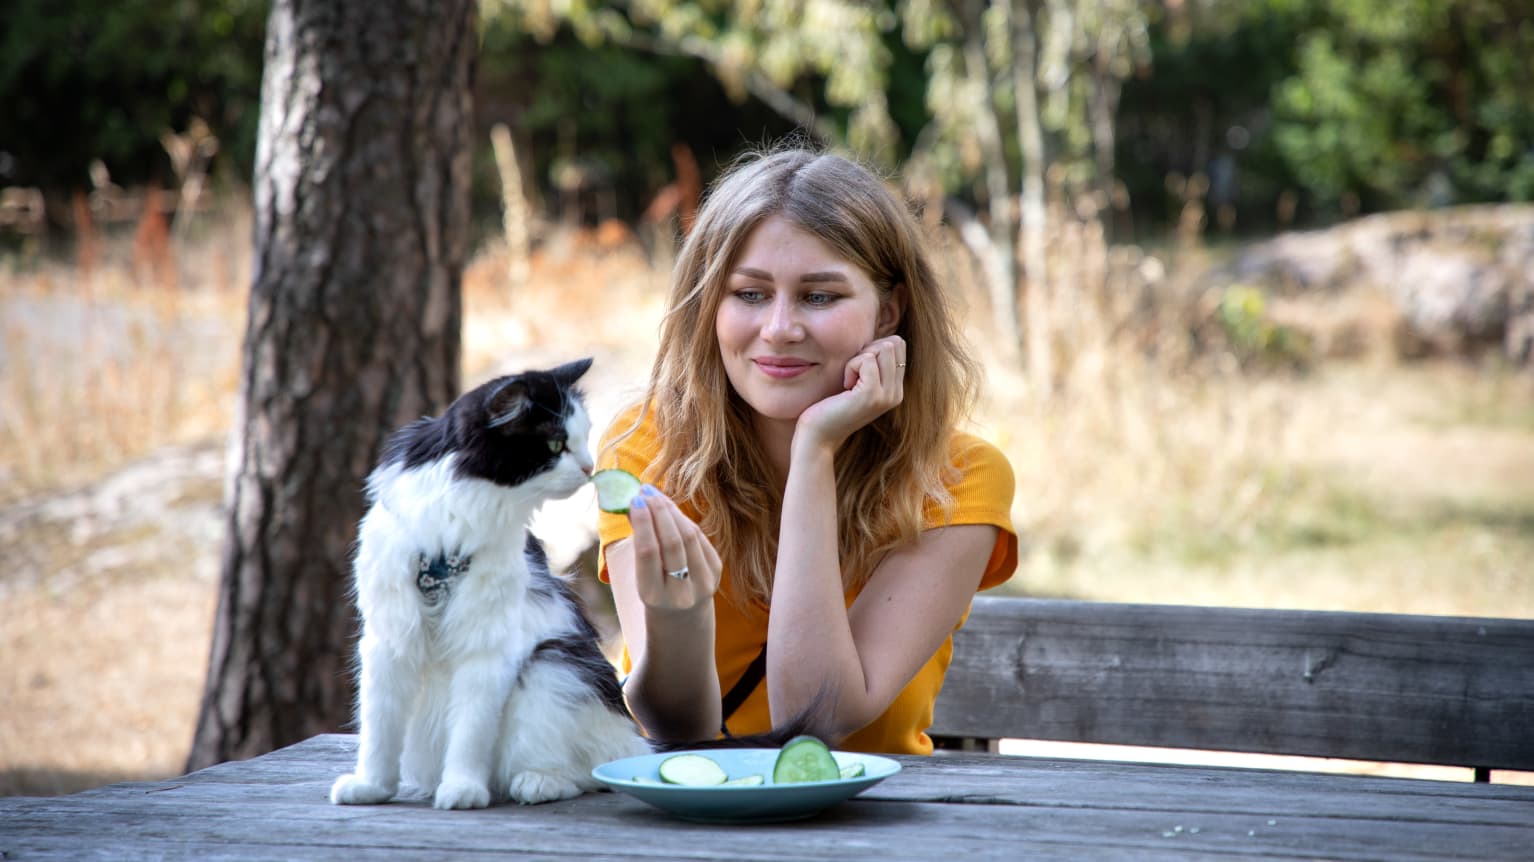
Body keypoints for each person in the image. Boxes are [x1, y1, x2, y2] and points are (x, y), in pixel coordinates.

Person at [596, 146, 1017, 755]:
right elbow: (675, 730)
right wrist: (678, 619)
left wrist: (815, 451)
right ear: (709, 303)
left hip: (873, 834)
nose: (780, 329)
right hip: (690, 824)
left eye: (819, 297)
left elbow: (815, 716)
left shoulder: (957, 479)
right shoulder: (644, 450)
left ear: (888, 313)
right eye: (749, 294)